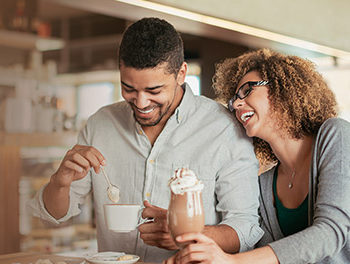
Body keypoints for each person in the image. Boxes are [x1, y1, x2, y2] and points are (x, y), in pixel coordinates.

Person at [29, 18, 263, 262]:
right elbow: (54, 215)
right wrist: (60, 181)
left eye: (154, 91)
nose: (141, 103)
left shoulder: (223, 129)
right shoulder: (100, 124)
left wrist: (187, 236)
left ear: (181, 73)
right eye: (128, 88)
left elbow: (245, 227)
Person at [164, 48, 350, 264]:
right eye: (233, 100)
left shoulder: (336, 135)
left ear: (284, 89)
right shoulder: (264, 184)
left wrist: (232, 262)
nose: (236, 104)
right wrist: (193, 244)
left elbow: (330, 233)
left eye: (246, 91)